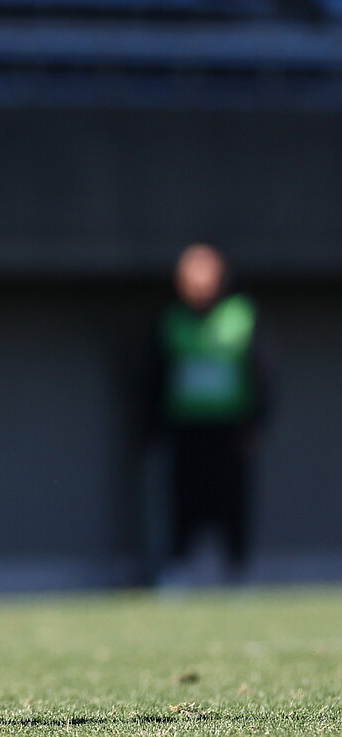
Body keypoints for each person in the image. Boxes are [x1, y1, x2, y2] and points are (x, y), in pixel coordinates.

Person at [147, 242, 271, 584]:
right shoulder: (172, 319)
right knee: (184, 500)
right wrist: (153, 426)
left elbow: (263, 372)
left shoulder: (240, 316)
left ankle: (238, 569)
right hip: (186, 427)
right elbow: (155, 375)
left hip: (231, 428)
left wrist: (258, 420)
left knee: (232, 500)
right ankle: (179, 567)